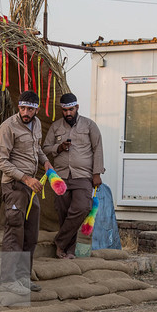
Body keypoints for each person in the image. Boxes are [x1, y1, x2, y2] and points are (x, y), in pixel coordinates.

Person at [0, 90, 54, 295]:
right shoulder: (8, 126)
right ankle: (8, 280)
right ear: (18, 107)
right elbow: (0, 161)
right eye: (22, 108)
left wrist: (46, 162)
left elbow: (36, 149)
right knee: (14, 232)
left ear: (37, 109)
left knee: (30, 234)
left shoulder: (36, 124)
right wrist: (26, 178)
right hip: (14, 187)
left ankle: (22, 277)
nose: (25, 112)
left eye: (30, 108)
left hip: (31, 188)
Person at [43, 93, 105, 259]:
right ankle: (67, 252)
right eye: (65, 110)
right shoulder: (56, 127)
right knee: (63, 211)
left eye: (71, 109)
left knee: (83, 207)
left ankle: (60, 241)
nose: (68, 113)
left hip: (83, 176)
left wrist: (96, 173)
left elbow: (97, 148)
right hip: (61, 176)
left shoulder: (89, 125)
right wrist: (59, 147)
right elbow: (45, 148)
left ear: (77, 107)